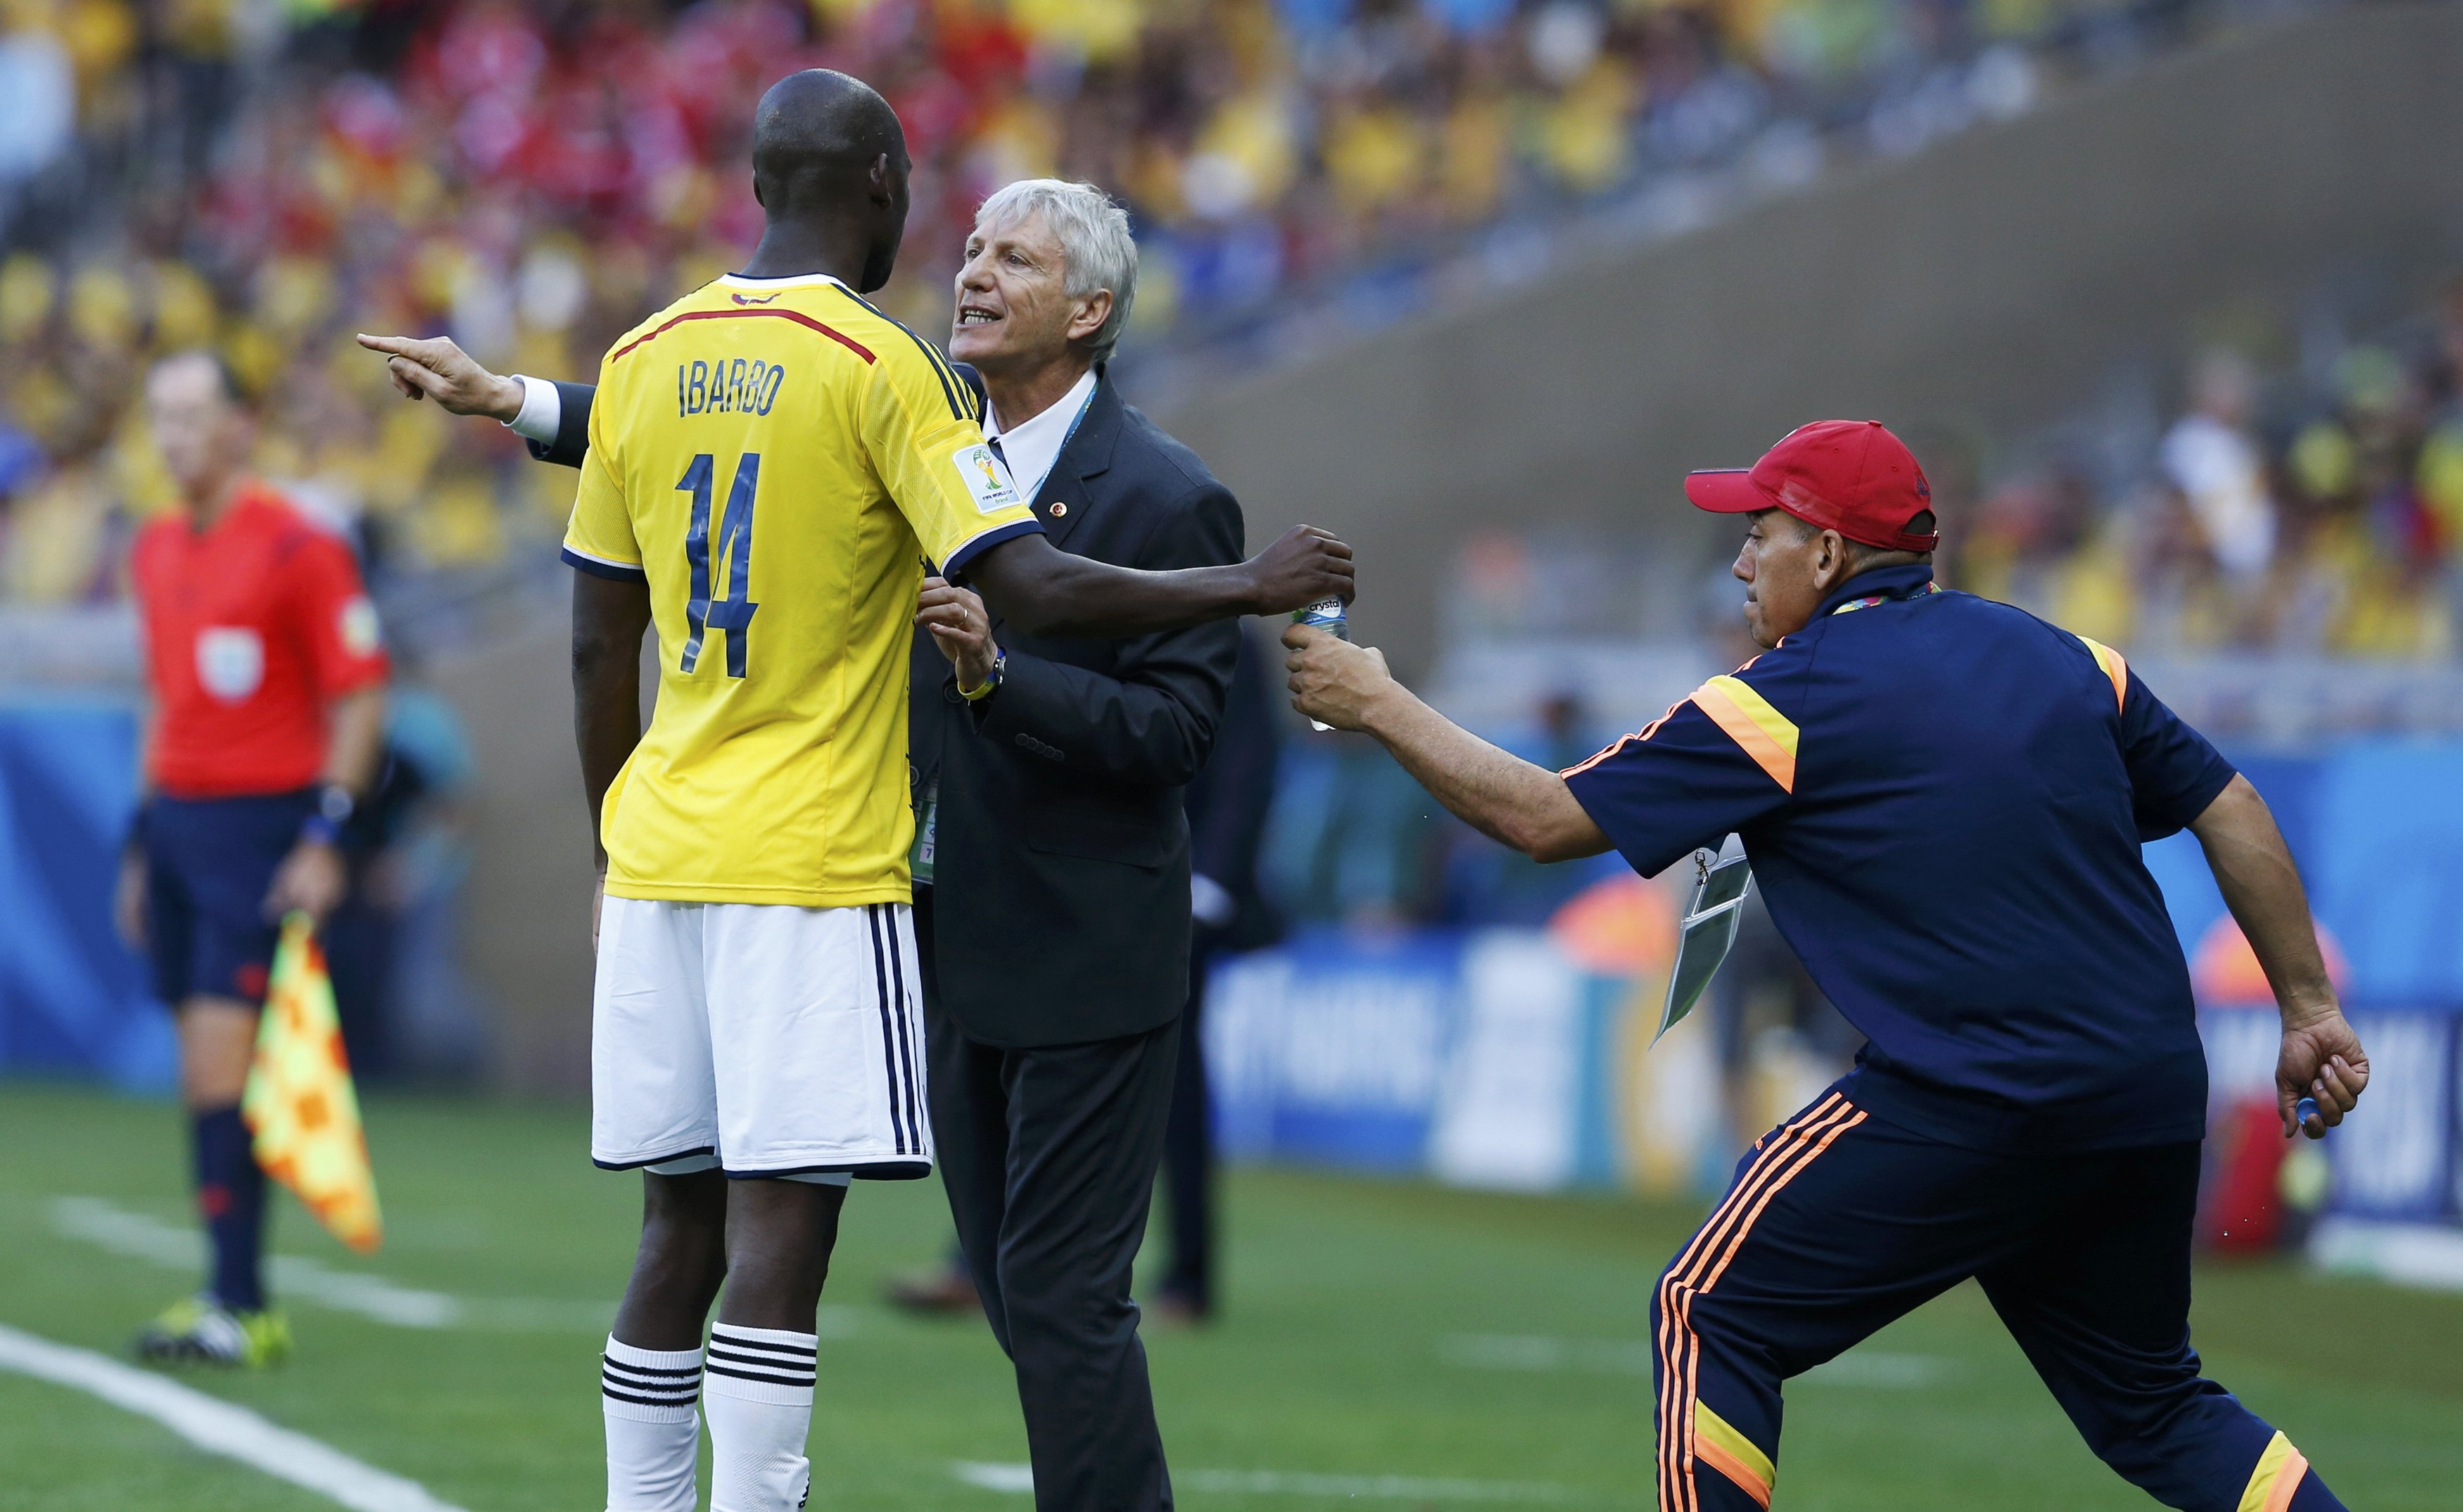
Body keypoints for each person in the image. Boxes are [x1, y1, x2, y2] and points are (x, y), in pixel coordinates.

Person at [362, 80, 1348, 1512]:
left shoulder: (656, 352)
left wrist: (612, 842)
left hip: (751, 870)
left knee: (712, 1236)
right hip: (831, 877)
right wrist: (1248, 587)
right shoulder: (892, 380)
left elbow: (603, 623)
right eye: (965, 237)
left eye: (1015, 257)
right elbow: (1019, 573)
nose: (967, 264)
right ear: (881, 183)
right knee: (779, 1232)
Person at [1284, 419, 2367, 1512]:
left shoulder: (1783, 698)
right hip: (2141, 1089)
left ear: (1832, 554)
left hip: (1975, 1095)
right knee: (2157, 1405)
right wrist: (2308, 1006)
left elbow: (1547, 817)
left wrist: (1378, 702)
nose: (1743, 562)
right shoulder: (2066, 657)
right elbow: (2228, 802)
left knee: (1708, 1310)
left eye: (1761, 534)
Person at [118, 350, 391, 1366]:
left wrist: (325, 835)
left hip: (259, 829)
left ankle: (241, 1302)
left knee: (225, 1059)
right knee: (203, 1065)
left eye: (192, 414)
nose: (173, 434)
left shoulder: (297, 545)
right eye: (160, 416)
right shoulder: (152, 546)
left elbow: (361, 693)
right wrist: (140, 845)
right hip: (179, 825)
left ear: (241, 422)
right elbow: (164, 705)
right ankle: (230, 1295)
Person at [1155, 621, 1284, 1324]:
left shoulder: (1226, 637)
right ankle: (983, 1261)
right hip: (1088, 883)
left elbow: (1247, 763)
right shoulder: (1086, 604)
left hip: (1182, 895)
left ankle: (1188, 1275)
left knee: (1174, 1090)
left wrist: (1210, 881)